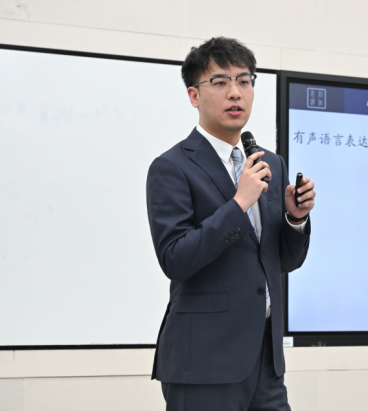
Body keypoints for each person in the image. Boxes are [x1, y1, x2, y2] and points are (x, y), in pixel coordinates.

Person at [146, 37, 315, 411]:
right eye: (220, 82)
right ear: (194, 95)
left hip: (265, 361)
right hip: (204, 362)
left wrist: (295, 218)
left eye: (244, 80)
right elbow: (175, 258)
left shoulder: (270, 163)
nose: (235, 92)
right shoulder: (171, 167)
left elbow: (283, 261)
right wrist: (240, 203)